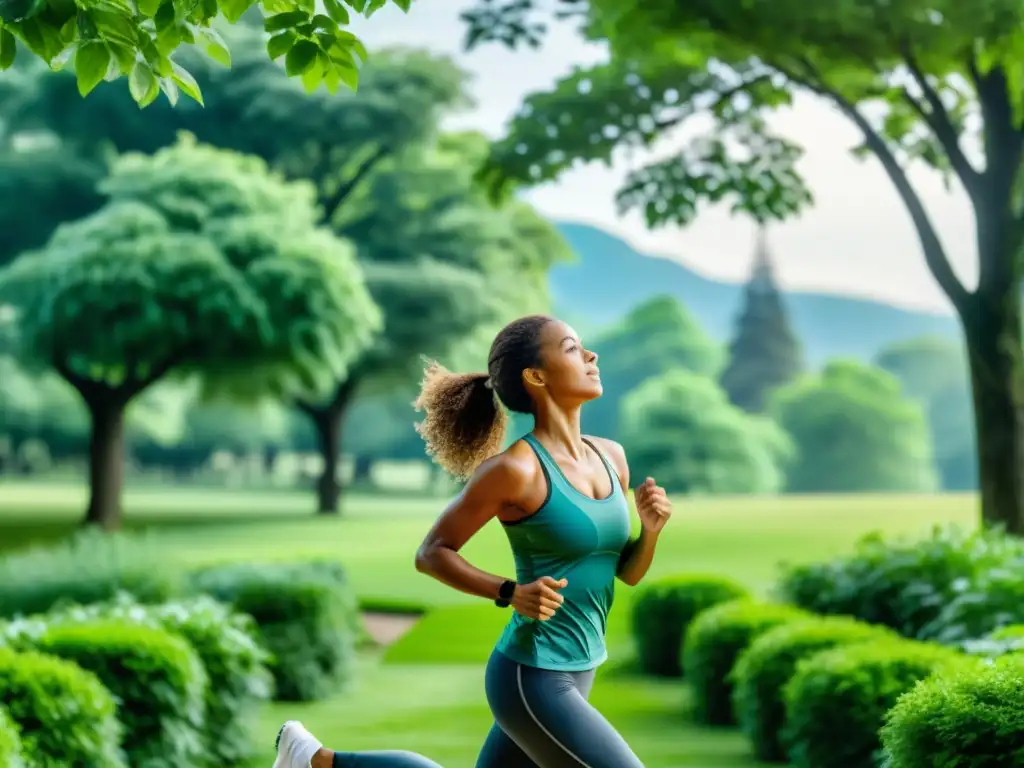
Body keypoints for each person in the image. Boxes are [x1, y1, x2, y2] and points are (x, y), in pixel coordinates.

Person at [273, 315, 672, 768]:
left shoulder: (611, 457)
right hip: (533, 675)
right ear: (536, 377)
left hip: (582, 664)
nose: (590, 355)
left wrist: (650, 531)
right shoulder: (515, 471)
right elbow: (432, 553)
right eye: (571, 348)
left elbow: (627, 572)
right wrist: (510, 592)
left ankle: (315, 761)